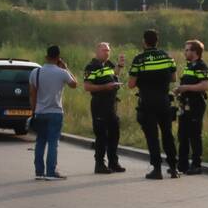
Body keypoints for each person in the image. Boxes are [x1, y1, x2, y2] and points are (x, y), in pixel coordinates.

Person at [127, 29, 179, 180]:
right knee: (167, 134)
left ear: (144, 41)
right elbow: (173, 77)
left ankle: (156, 170)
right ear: (157, 41)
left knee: (152, 136)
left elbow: (131, 84)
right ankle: (174, 168)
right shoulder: (167, 57)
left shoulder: (139, 59)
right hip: (164, 101)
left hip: (147, 102)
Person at [28, 45, 78, 181]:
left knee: (40, 142)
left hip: (40, 112)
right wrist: (65, 67)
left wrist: (34, 111)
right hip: (55, 112)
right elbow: (75, 84)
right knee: (52, 143)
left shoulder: (35, 73)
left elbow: (32, 94)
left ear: (46, 57)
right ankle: (51, 172)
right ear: (58, 58)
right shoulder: (62, 72)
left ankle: (39, 171)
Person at [83, 42, 126, 175]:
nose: (106, 53)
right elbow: (87, 86)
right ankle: (100, 164)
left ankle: (113, 162)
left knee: (114, 133)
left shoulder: (108, 64)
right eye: (104, 50)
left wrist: (119, 66)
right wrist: (105, 87)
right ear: (97, 51)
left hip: (111, 103)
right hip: (99, 104)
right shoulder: (91, 66)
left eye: (108, 51)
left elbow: (114, 74)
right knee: (101, 135)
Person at [175, 39, 208, 175]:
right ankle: (182, 165)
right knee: (182, 135)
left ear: (195, 52)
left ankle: (196, 165)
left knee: (195, 135)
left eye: (187, 50)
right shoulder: (189, 66)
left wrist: (185, 87)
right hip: (185, 105)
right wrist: (179, 90)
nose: (185, 52)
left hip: (196, 104)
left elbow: (205, 86)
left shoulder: (202, 66)